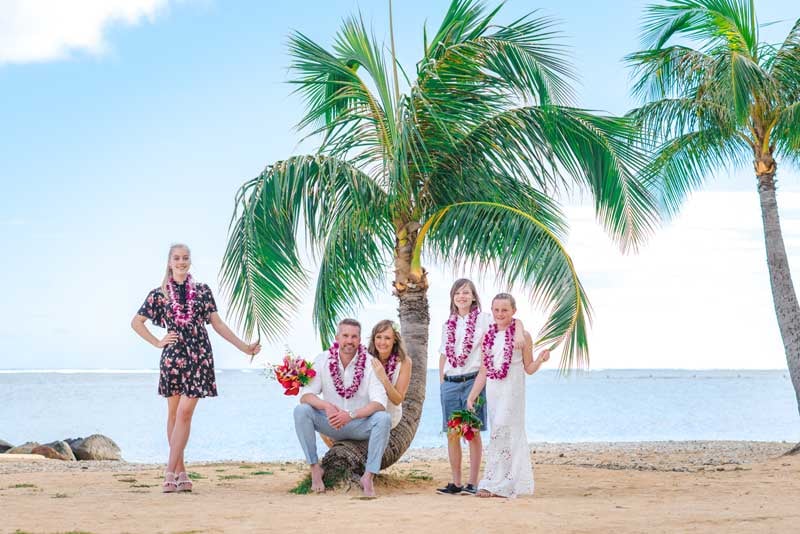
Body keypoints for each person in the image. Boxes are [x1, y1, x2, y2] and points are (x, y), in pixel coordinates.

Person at [131, 243, 260, 493]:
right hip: (173, 357)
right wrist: (158, 342)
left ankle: (169, 471)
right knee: (173, 414)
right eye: (176, 258)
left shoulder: (202, 291)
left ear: (190, 261)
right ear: (169, 262)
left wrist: (244, 347)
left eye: (185, 258)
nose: (181, 262)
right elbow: (137, 322)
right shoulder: (159, 294)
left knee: (185, 413)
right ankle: (181, 472)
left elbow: (218, 324)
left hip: (199, 356)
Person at [293, 318, 391, 497]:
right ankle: (315, 469)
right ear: (337, 337)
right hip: (330, 422)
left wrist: (351, 415)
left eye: (354, 336)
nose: (349, 340)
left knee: (383, 419)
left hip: (359, 424)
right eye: (345, 335)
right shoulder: (322, 359)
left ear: (360, 340)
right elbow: (305, 396)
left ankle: (368, 476)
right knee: (301, 411)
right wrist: (326, 406)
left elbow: (380, 403)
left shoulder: (370, 363)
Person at [467, 293, 549, 498]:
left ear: (514, 311)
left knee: (508, 430)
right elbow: (484, 370)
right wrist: (472, 396)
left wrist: (540, 359)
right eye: (496, 310)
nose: (500, 314)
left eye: (505, 310)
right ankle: (494, 481)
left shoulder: (523, 336)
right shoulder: (488, 335)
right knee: (497, 431)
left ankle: (509, 482)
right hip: (494, 390)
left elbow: (528, 368)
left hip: (513, 389)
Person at [437, 279, 492, 495]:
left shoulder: (484, 320)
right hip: (450, 383)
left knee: (473, 433)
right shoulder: (447, 325)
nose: (462, 296)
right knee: (453, 433)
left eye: (466, 292)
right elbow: (443, 353)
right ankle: (456, 482)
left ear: (473, 296)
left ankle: (472, 482)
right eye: (458, 293)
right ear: (453, 297)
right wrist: (441, 380)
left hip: (472, 381)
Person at [367, 320, 412, 429]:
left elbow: (397, 400)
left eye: (387, 338)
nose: (382, 342)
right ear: (373, 339)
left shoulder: (404, 362)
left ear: (394, 340)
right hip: (366, 412)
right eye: (378, 337)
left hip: (389, 415)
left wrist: (383, 378)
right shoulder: (366, 359)